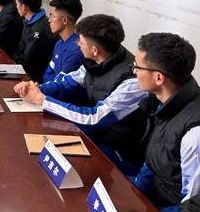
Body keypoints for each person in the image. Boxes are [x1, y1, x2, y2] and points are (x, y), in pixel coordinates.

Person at [14, 14, 148, 175]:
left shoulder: (133, 81)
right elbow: (67, 83)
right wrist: (36, 89)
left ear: (94, 50)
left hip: (118, 154)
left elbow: (94, 117)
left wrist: (42, 100)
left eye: (81, 42)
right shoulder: (95, 61)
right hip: (93, 137)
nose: (78, 44)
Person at [133, 33, 200, 210]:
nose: (134, 72)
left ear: (158, 78)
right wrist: (134, 191)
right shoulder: (161, 102)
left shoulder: (195, 134)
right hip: (157, 192)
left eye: (137, 67)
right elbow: (154, 158)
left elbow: (192, 205)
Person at [12, 0, 58, 83]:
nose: (16, 7)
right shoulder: (28, 21)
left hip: (34, 78)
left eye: (17, 4)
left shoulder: (40, 28)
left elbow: (28, 60)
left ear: (24, 7)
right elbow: (20, 47)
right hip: (22, 69)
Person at [43, 0, 84, 83]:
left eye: (52, 16)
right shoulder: (59, 44)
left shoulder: (77, 49)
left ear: (64, 20)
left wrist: (42, 88)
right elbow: (49, 73)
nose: (49, 20)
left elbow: (62, 83)